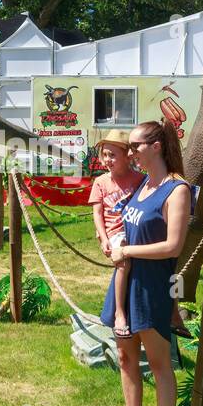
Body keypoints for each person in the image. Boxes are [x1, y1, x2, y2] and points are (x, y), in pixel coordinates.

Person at [99, 119, 196, 406]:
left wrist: (128, 251)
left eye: (136, 146)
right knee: (126, 357)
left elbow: (173, 246)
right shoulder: (143, 186)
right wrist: (115, 242)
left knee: (158, 362)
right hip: (125, 281)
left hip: (154, 285)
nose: (131, 152)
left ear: (156, 147)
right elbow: (128, 223)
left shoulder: (177, 189)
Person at [89, 129, 144, 338]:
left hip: (135, 228)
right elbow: (97, 212)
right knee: (123, 262)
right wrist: (103, 238)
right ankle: (119, 313)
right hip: (115, 232)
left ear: (126, 156)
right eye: (104, 155)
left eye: (112, 155)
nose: (107, 160)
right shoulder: (101, 182)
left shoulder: (140, 179)